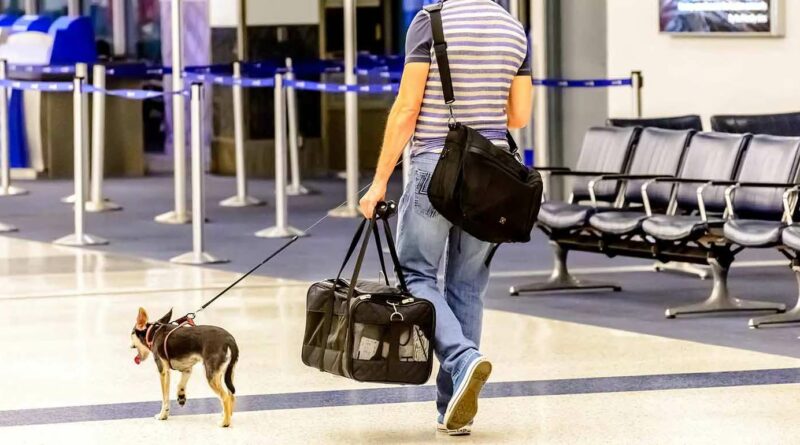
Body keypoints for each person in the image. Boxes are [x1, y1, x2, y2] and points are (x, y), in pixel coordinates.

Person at [359, 0, 533, 436]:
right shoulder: (514, 29)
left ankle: (461, 358)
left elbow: (407, 108)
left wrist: (379, 180)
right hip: (492, 173)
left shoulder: (429, 21)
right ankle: (450, 408)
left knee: (415, 274)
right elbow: (519, 115)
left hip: (434, 166)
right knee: (468, 285)